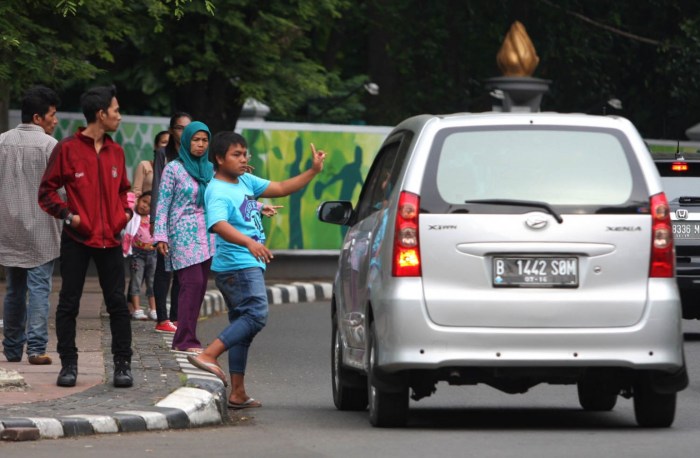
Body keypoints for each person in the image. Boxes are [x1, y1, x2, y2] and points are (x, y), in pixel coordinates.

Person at [187, 131, 325, 409]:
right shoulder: (217, 189)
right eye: (236, 155)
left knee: (244, 326)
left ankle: (237, 393)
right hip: (238, 265)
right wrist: (249, 242)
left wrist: (313, 170)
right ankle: (208, 354)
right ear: (219, 158)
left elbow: (283, 187)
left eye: (244, 154)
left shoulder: (245, 181)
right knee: (257, 314)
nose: (243, 159)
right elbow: (218, 224)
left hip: (246, 264)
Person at [38, 85, 134, 388]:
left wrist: (125, 215)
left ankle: (122, 365)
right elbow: (46, 192)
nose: (119, 116)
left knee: (117, 303)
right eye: (116, 110)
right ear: (101, 113)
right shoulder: (66, 149)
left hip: (111, 241)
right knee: (69, 303)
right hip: (77, 239)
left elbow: (124, 191)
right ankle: (68, 364)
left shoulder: (116, 151)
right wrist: (70, 216)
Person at [0, 86, 61, 365]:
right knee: (39, 288)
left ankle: (12, 349)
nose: (55, 120)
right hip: (42, 229)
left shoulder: (2, 141)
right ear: (38, 117)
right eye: (52, 114)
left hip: (8, 227)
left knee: (14, 289)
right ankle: (36, 348)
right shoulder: (51, 146)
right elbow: (63, 190)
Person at [154, 121, 215, 354]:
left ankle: (186, 337)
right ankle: (185, 339)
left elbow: (225, 197)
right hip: (181, 232)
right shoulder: (174, 169)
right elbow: (163, 204)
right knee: (192, 284)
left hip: (208, 235)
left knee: (199, 289)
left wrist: (257, 207)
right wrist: (160, 236)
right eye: (195, 139)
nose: (200, 145)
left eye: (204, 140)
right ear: (187, 140)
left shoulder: (211, 170)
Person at [151, 113, 191, 333]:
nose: (183, 132)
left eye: (187, 128)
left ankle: (176, 317)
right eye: (179, 127)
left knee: (182, 269)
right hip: (166, 218)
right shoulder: (163, 154)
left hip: (187, 220)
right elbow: (157, 186)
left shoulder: (195, 155)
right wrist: (156, 222)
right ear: (171, 130)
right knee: (163, 269)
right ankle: (162, 318)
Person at [123, 191, 157, 321]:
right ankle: (136, 309)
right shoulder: (133, 215)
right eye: (143, 201)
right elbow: (127, 199)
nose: (145, 206)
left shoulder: (153, 219)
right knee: (136, 280)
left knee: (152, 282)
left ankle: (153, 309)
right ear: (139, 200)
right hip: (137, 254)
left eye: (149, 204)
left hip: (152, 254)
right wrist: (134, 196)